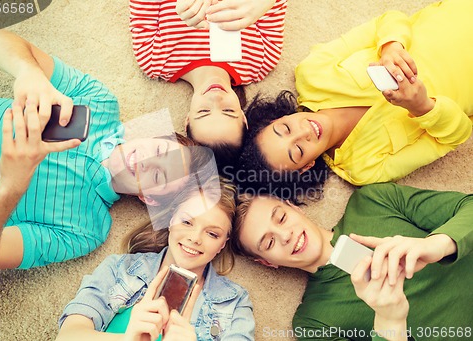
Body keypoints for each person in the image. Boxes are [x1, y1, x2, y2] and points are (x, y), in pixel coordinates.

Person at [0, 30, 212, 272]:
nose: (147, 161)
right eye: (159, 150)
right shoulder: (99, 102)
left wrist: (10, 185)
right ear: (152, 137)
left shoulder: (86, 229)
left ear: (147, 198)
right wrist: (28, 71)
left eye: (158, 176)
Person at [239, 0, 473, 200]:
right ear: (306, 167)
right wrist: (421, 106)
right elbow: (456, 136)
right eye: (298, 150)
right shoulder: (365, 169)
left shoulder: (313, 73)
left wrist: (391, 47)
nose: (303, 132)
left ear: (279, 117)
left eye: (286, 128)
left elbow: (389, 19)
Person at [231, 182, 473, 340]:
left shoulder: (370, 201)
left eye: (281, 218)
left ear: (294, 207)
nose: (285, 236)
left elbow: (468, 205)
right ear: (267, 263)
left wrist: (436, 245)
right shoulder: (313, 324)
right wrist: (390, 319)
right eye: (269, 243)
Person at [57, 176, 254, 340]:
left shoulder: (234, 302)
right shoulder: (119, 268)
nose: (195, 238)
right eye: (186, 221)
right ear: (171, 219)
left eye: (212, 234)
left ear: (223, 244)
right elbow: (68, 335)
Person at [129, 0, 287, 166]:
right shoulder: (261, 61)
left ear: (188, 119)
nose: (215, 98)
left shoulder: (154, 60)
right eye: (228, 110)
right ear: (243, 117)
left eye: (204, 111)